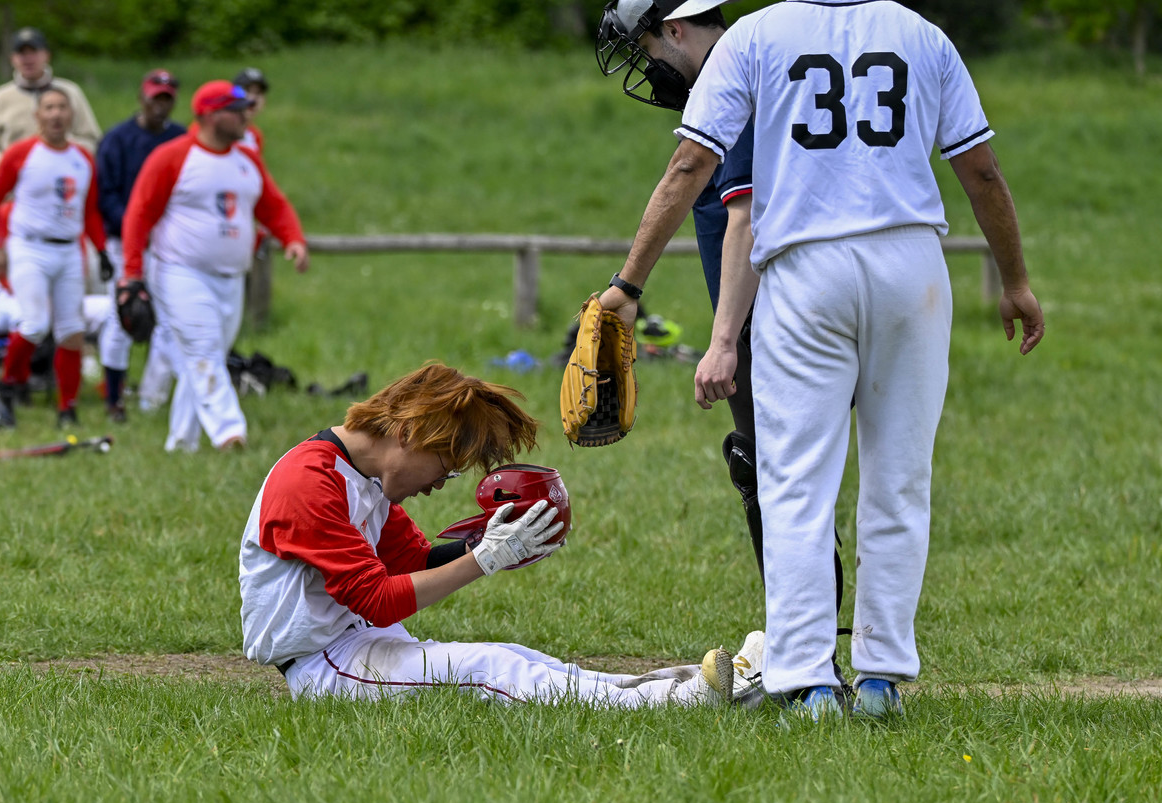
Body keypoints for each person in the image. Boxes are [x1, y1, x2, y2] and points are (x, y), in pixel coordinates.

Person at [594, 0, 1044, 721]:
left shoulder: (756, 34)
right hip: (910, 264)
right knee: (899, 479)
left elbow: (691, 163)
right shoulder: (921, 34)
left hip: (806, 268)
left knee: (795, 480)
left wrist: (628, 283)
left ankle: (807, 679)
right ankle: (880, 679)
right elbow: (981, 170)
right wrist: (1015, 279)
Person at [241, 363, 752, 704]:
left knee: (515, 656)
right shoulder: (310, 482)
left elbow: (415, 564)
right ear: (407, 433)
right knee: (485, 666)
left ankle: (668, 685)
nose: (442, 482)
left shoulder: (365, 478)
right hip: (323, 665)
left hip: (356, 643)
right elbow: (376, 599)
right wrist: (483, 559)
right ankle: (668, 707)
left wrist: (497, 541)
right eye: (445, 463)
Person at [596, 0, 849, 648]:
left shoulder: (732, 76)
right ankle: (809, 638)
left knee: (772, 471)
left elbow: (726, 202)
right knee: (775, 468)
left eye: (648, 50)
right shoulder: (774, 63)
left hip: (775, 315)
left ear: (676, 30)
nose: (650, 69)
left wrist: (636, 292)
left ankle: (803, 647)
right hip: (819, 298)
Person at [121, 80, 308, 452]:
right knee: (203, 349)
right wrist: (131, 272)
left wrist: (293, 238)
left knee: (206, 357)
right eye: (236, 110)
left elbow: (272, 203)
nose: (245, 116)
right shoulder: (172, 157)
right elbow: (139, 215)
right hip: (180, 271)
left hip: (231, 277)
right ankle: (230, 432)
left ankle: (180, 443)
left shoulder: (246, 157)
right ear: (210, 115)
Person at [0, 87, 109, 426]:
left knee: (71, 330)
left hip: (68, 247)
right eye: (49, 108)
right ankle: (8, 384)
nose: (56, 114)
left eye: (62, 108)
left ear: (71, 115)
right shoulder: (22, 154)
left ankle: (67, 407)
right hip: (29, 246)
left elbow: (90, 211)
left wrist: (100, 249)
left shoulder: (83, 159)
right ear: (37, 115)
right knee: (35, 324)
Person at [95, 69, 185, 422]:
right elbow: (106, 195)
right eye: (155, 96)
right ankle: (113, 398)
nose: (160, 104)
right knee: (123, 318)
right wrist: (136, 227)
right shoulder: (118, 139)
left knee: (166, 320)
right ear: (142, 97)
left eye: (167, 97)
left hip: (166, 244)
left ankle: (152, 396)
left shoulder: (179, 139)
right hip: (124, 241)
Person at [0, 27, 100, 181]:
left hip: (62, 188)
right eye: (21, 53)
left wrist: (63, 157)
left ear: (47, 55)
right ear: (12, 58)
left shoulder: (70, 92)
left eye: (34, 52)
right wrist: (12, 169)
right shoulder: (0, 97)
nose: (28, 59)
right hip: (13, 192)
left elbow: (92, 140)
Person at [232, 67, 269, 156]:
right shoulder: (215, 128)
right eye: (247, 90)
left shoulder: (255, 135)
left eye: (258, 93)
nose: (253, 98)